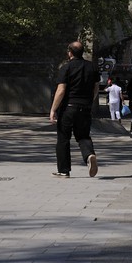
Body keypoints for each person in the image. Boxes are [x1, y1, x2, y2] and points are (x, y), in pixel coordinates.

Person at [49, 41, 100, 178]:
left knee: (63, 139)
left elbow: (61, 90)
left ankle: (64, 170)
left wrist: (53, 109)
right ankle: (89, 155)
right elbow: (96, 87)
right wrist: (90, 101)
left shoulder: (66, 68)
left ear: (70, 52)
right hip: (85, 107)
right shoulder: (92, 67)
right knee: (83, 136)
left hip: (68, 108)